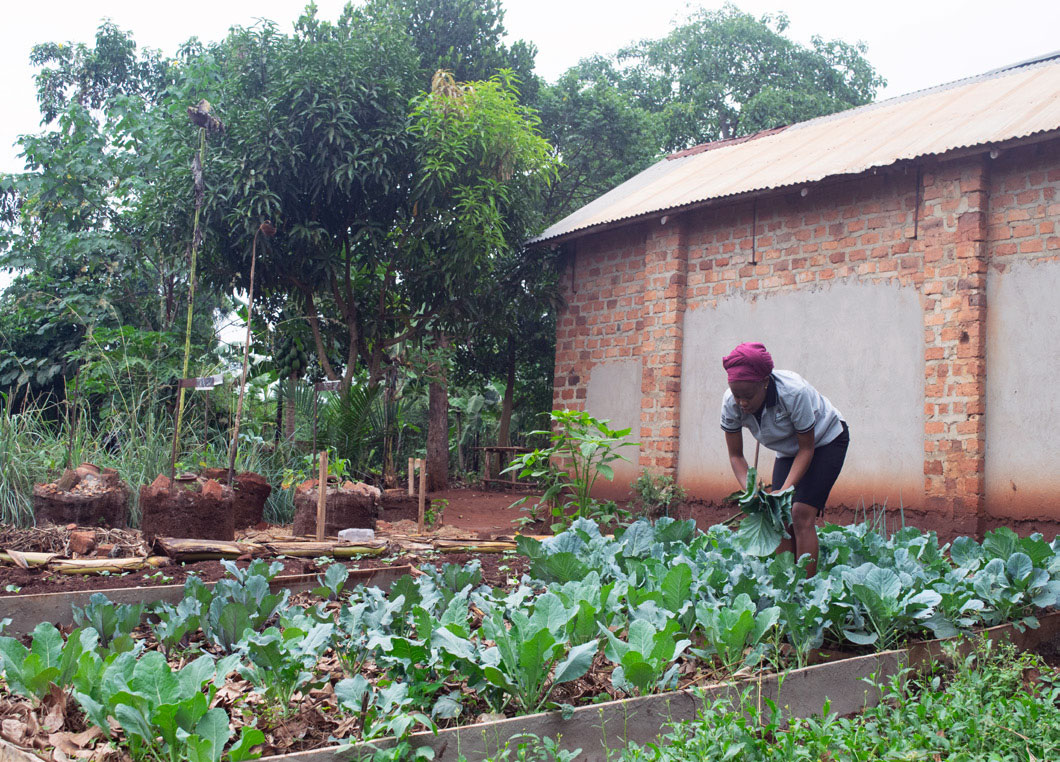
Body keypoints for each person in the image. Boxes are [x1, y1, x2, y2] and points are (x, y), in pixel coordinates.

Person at [720, 342, 849, 575]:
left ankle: (807, 589)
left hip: (825, 440)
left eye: (748, 396)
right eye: (737, 395)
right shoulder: (731, 402)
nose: (742, 403)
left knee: (800, 514)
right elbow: (736, 455)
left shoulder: (793, 393)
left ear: (765, 383)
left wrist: (784, 491)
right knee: (778, 516)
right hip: (790, 450)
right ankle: (786, 586)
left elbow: (807, 449)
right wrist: (752, 490)